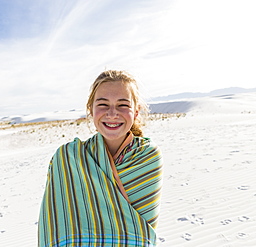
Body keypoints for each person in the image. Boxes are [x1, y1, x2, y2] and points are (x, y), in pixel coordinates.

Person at [38, 70, 163, 246]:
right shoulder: (67, 158)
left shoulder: (148, 157)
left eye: (122, 105)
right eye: (103, 104)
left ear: (136, 112)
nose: (112, 113)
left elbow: (140, 235)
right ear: (91, 110)